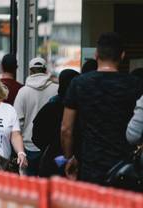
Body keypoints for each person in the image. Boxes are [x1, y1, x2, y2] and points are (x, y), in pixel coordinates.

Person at [61, 32, 143, 185]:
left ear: (96, 54)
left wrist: (69, 157)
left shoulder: (79, 84)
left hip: (90, 166)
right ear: (122, 55)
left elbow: (66, 129)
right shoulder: (135, 85)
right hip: (125, 167)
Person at [14, 57, 58, 176]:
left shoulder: (23, 92)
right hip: (51, 146)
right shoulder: (56, 89)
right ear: (45, 71)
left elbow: (18, 121)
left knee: (31, 185)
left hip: (29, 145)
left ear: (30, 71)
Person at [32, 69, 80, 177]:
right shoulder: (80, 109)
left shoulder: (50, 107)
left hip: (51, 162)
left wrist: (49, 147)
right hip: (76, 164)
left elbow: (36, 135)